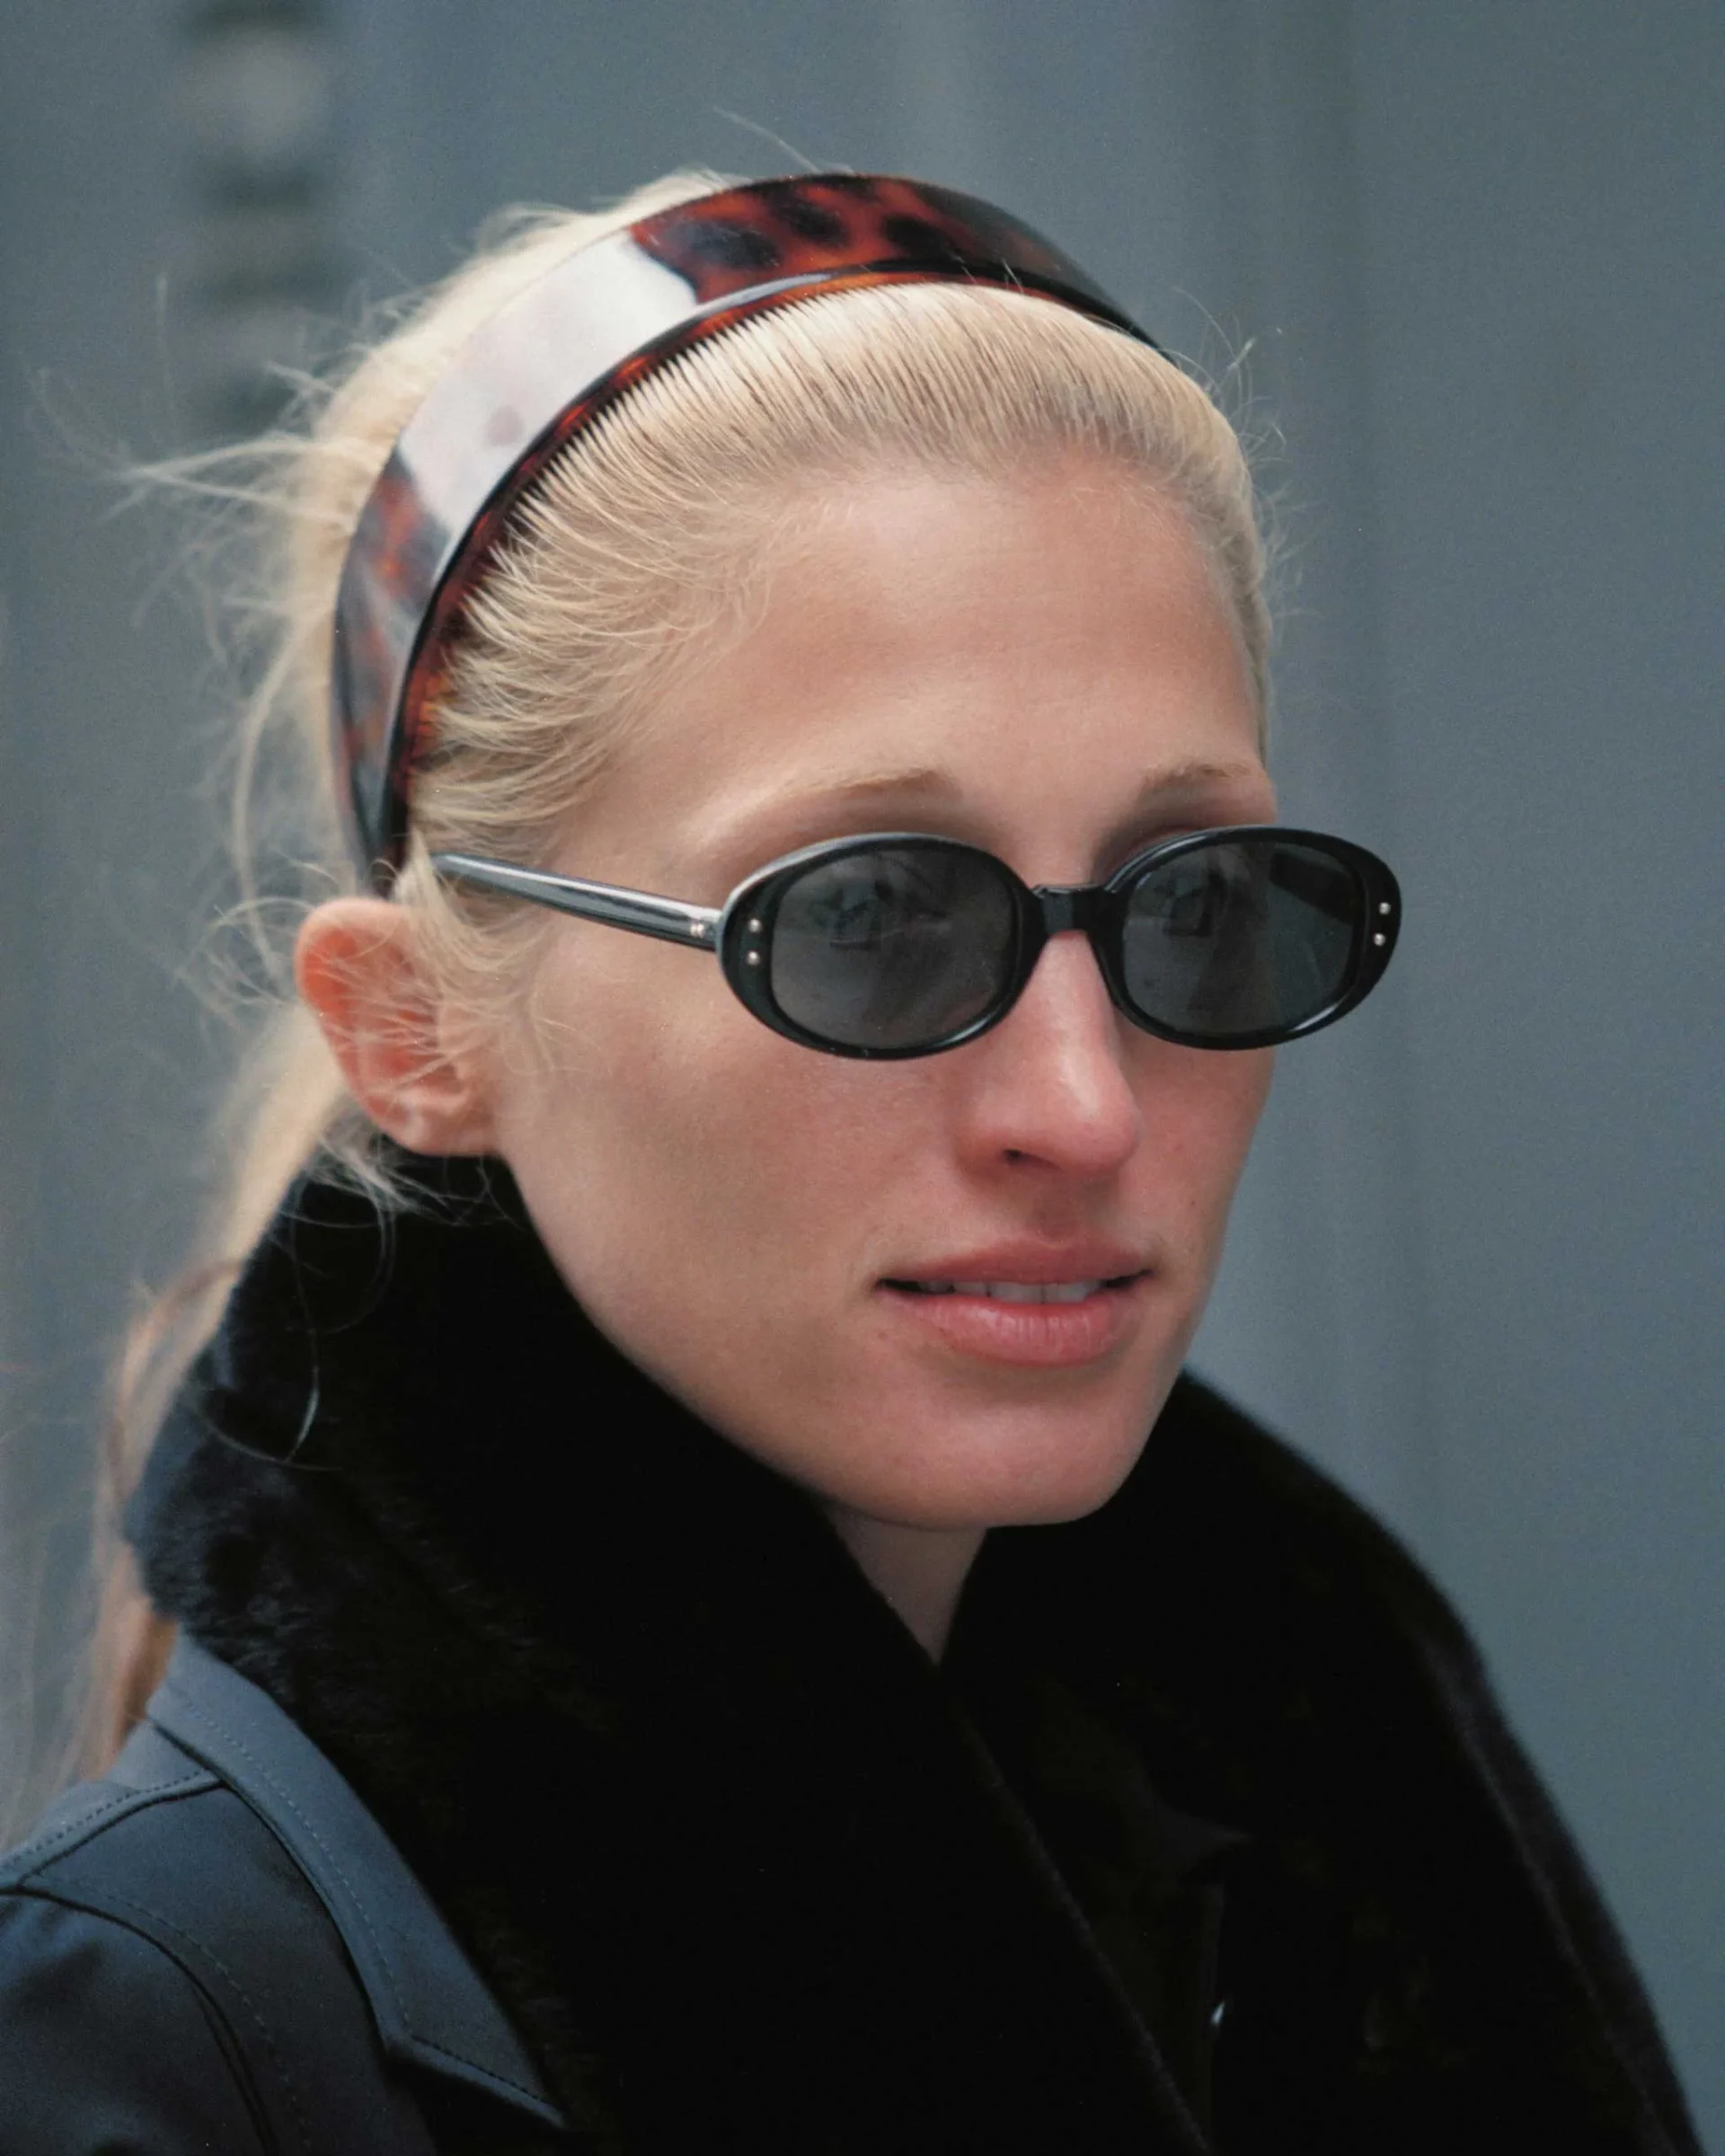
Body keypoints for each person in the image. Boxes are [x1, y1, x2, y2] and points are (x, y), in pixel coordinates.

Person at [0, 172, 1696, 2155]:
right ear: (419, 1032)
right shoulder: (155, 2048)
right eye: (869, 918)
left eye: (1193, 899)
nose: (1082, 1104)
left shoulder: (1354, 1833)